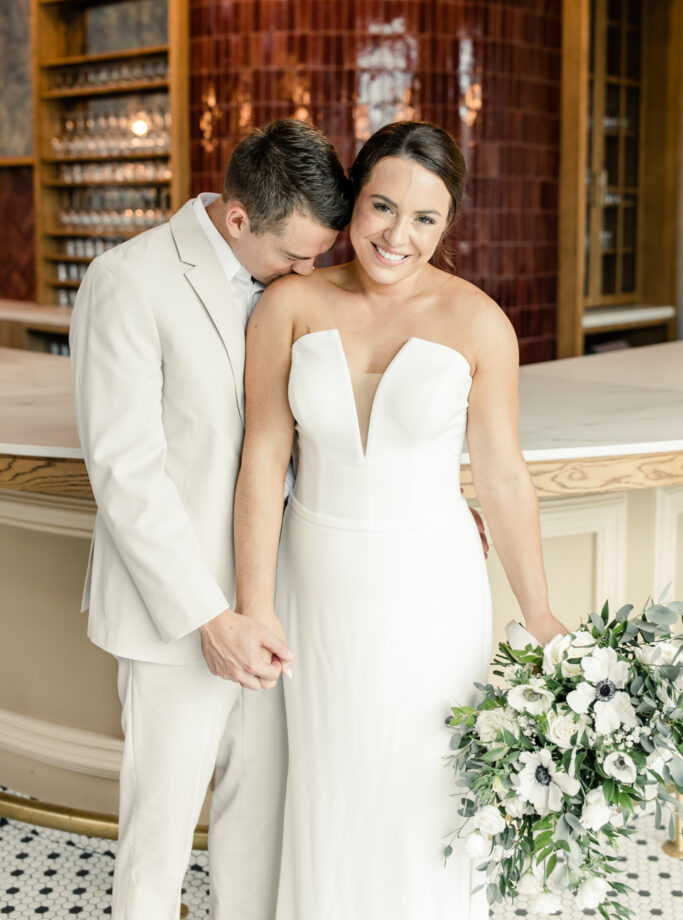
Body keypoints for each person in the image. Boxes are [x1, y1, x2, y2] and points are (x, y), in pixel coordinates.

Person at [233, 121, 566, 920]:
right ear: (354, 201)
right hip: (314, 583)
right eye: (382, 206)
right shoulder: (289, 303)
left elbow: (503, 477)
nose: (397, 235)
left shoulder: (479, 322)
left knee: (425, 787)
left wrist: (540, 612)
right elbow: (259, 461)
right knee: (331, 782)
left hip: (433, 586)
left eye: (424, 218)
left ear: (447, 224)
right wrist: (254, 604)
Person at [69, 119, 354, 920]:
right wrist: (207, 615)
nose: (307, 271)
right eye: (293, 255)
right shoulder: (127, 281)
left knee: (258, 816)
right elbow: (126, 473)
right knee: (159, 831)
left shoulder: (298, 287)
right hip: (175, 616)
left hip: (280, 603)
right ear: (236, 218)